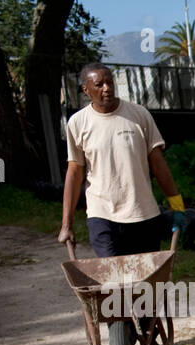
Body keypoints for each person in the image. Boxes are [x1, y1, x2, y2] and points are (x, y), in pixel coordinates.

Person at [58, 62, 185, 260]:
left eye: (109, 82)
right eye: (99, 84)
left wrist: (177, 205)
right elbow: (74, 173)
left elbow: (158, 163)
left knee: (145, 284)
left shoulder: (139, 115)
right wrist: (67, 225)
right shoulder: (77, 123)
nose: (106, 88)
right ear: (86, 89)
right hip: (102, 215)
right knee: (115, 280)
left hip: (143, 213)